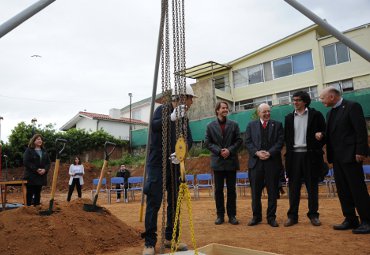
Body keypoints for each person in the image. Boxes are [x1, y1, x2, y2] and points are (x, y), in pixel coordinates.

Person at [142, 85, 195, 255]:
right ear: (181, 97)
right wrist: (171, 118)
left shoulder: (185, 118)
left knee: (174, 203)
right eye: (190, 98)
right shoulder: (163, 110)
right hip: (158, 164)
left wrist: (182, 153)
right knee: (154, 202)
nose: (191, 102)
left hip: (175, 165)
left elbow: (190, 140)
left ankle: (170, 238)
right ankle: (150, 243)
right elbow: (154, 126)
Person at [319, 86, 370, 234]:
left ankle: (367, 220)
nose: (321, 101)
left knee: (357, 189)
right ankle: (350, 219)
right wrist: (322, 135)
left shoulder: (352, 107)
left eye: (323, 98)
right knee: (343, 190)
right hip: (337, 158)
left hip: (352, 156)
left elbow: (360, 131)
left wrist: (360, 151)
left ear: (332, 97)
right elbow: (333, 133)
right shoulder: (330, 113)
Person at [284, 91, 326, 227]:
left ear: (305, 101)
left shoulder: (316, 115)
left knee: (312, 187)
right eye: (294, 100)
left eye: (298, 100)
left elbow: (325, 133)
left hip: (311, 156)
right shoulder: (289, 117)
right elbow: (287, 138)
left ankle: (313, 215)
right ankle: (292, 216)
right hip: (294, 156)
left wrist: (321, 136)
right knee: (293, 188)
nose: (295, 102)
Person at [245, 103, 284, 227]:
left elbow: (280, 141)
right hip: (256, 164)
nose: (267, 114)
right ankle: (256, 217)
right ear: (259, 113)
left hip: (272, 163)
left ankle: (271, 217)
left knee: (272, 192)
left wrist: (269, 153)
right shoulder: (251, 125)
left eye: (268, 111)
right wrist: (257, 152)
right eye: (264, 112)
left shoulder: (277, 125)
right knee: (255, 193)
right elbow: (248, 142)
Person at [205, 101, 243, 225]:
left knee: (232, 190)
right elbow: (207, 143)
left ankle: (232, 215)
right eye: (223, 108)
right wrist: (219, 151)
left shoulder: (234, 124)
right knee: (218, 190)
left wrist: (229, 150)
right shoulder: (210, 126)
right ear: (217, 110)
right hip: (218, 162)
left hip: (231, 161)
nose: (226, 109)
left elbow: (239, 141)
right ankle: (220, 215)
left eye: (227, 108)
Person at [23, 134, 51, 206]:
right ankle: (28, 208)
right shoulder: (29, 150)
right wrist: (36, 169)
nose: (40, 140)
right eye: (38, 139)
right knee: (30, 192)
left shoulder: (44, 151)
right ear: (34, 141)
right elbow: (26, 162)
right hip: (31, 176)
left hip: (41, 176)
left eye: (41, 139)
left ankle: (37, 208)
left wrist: (45, 170)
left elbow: (48, 163)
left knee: (38, 192)